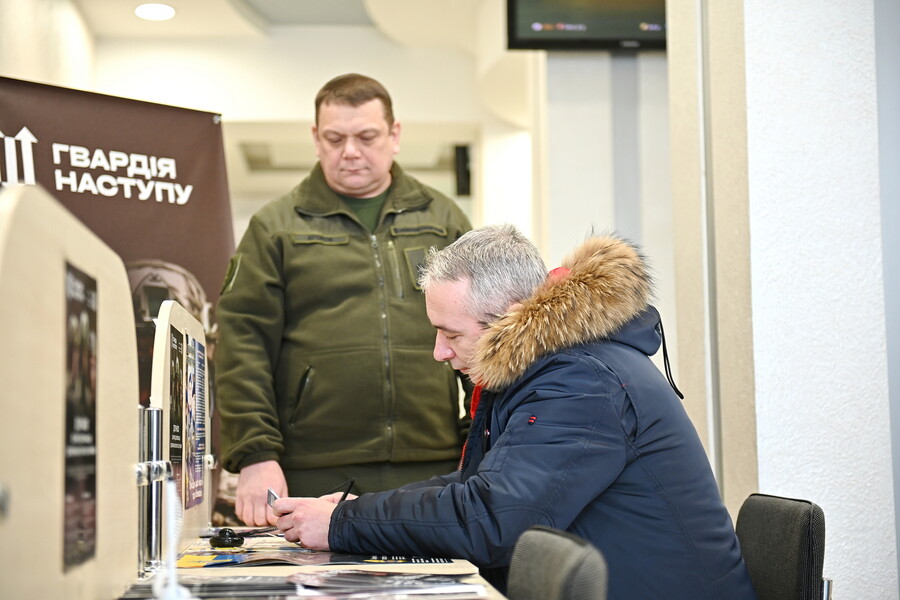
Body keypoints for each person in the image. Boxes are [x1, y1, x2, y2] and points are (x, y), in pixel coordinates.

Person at [271, 224, 757, 599]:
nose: (439, 352)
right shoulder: (551, 368)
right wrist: (351, 511)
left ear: (509, 317)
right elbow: (479, 486)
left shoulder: (582, 382)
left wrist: (340, 525)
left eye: (452, 334)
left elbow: (494, 518)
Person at [215, 73, 473, 527]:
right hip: (312, 469)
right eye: (335, 138)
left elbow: (485, 332)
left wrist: (483, 442)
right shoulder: (275, 227)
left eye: (366, 136)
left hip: (434, 465)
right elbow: (242, 344)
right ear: (316, 139)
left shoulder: (443, 219)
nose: (350, 151)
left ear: (394, 135)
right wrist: (255, 453)